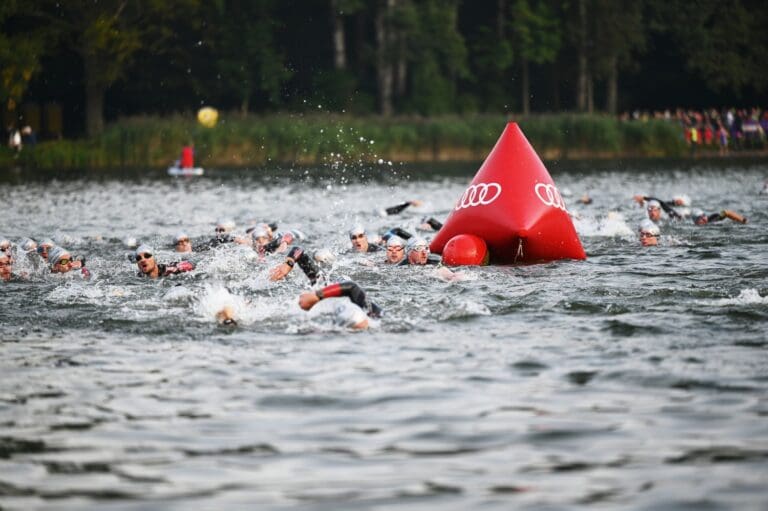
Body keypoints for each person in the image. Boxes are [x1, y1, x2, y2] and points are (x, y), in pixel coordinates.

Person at [298, 281, 382, 330]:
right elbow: (352, 287)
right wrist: (317, 296)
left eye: (354, 328)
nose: (358, 328)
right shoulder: (373, 314)